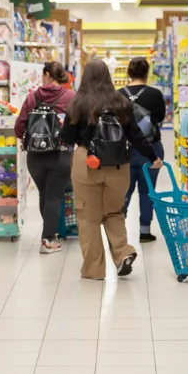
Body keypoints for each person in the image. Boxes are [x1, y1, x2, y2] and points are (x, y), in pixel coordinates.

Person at [60, 59, 161, 279]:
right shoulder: (121, 102)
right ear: (108, 76)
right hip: (118, 164)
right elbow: (137, 136)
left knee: (88, 217)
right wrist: (153, 157)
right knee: (114, 212)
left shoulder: (78, 103)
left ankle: (94, 269)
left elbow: (66, 137)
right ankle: (123, 253)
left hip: (87, 162)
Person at [15, 61, 76, 253]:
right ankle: (48, 239)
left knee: (45, 194)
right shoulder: (71, 97)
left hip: (36, 156)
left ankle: (49, 234)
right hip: (61, 154)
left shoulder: (32, 97)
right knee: (54, 195)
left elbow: (19, 127)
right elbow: (78, 125)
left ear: (48, 74)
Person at [118, 57, 167, 242]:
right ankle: (145, 231)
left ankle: (118, 231)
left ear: (128, 73)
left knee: (124, 190)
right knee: (147, 191)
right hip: (151, 148)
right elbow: (161, 116)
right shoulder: (155, 94)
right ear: (147, 73)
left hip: (125, 149)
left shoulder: (118, 94)